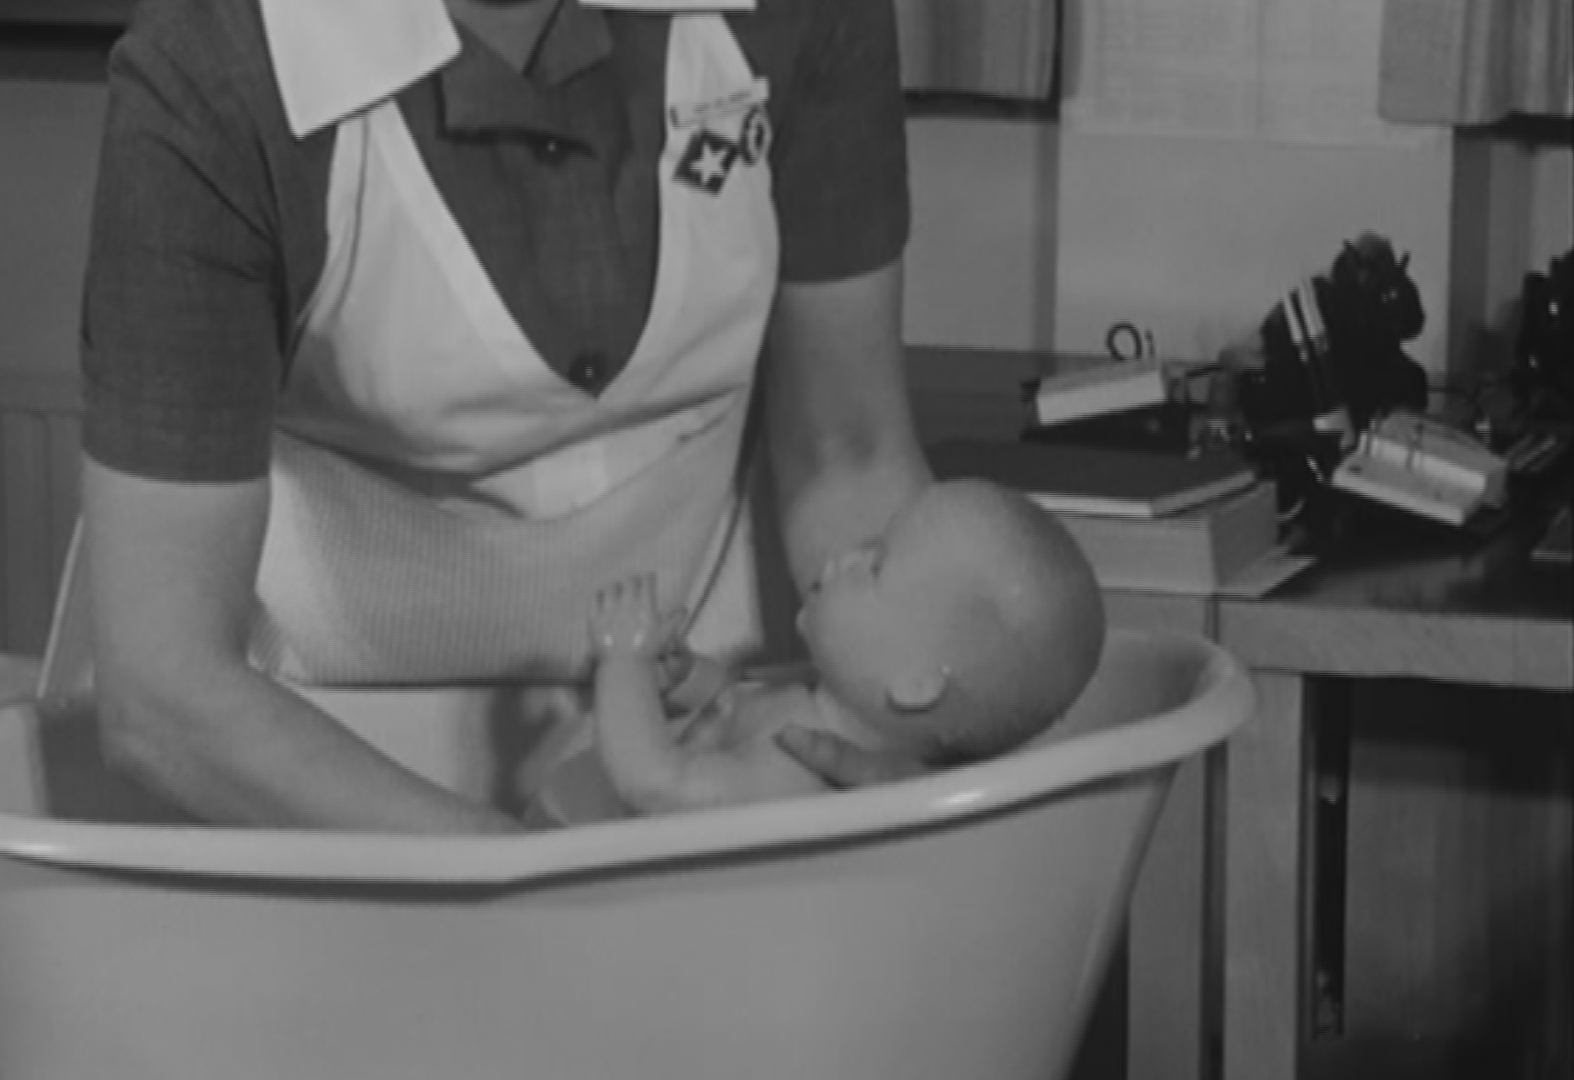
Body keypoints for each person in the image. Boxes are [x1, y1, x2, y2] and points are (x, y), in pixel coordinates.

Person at [77, 0, 1084, 834]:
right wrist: (521, 886)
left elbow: (849, 453)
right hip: (304, 770)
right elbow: (166, 690)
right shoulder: (218, 74)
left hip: (700, 734)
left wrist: (907, 767)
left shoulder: (799, 16)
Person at [541, 479, 1104, 818]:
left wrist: (622, 660)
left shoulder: (792, 775)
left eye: (876, 564)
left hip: (582, 899)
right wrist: (689, 679)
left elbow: (655, 785)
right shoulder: (810, 706)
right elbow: (735, 704)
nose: (845, 556)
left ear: (916, 684)